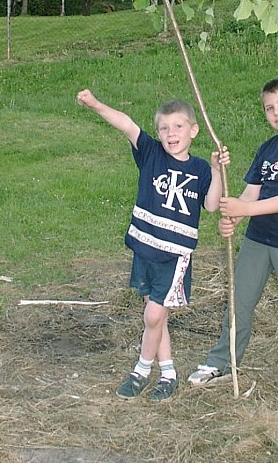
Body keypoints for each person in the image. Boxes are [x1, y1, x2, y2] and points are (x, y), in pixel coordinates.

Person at [187, 77, 278, 413]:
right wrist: (234, 217)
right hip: (258, 240)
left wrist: (245, 209)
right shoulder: (268, 149)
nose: (276, 112)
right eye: (269, 107)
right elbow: (251, 193)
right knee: (238, 304)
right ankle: (221, 363)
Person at [76, 89, 229, 401]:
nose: (170, 134)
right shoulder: (151, 154)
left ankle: (142, 370)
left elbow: (212, 205)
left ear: (193, 130)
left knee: (153, 316)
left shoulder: (200, 169)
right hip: (144, 249)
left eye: (178, 126)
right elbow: (126, 124)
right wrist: (95, 105)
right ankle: (169, 373)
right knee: (155, 314)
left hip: (173, 257)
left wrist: (217, 170)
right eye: (164, 128)